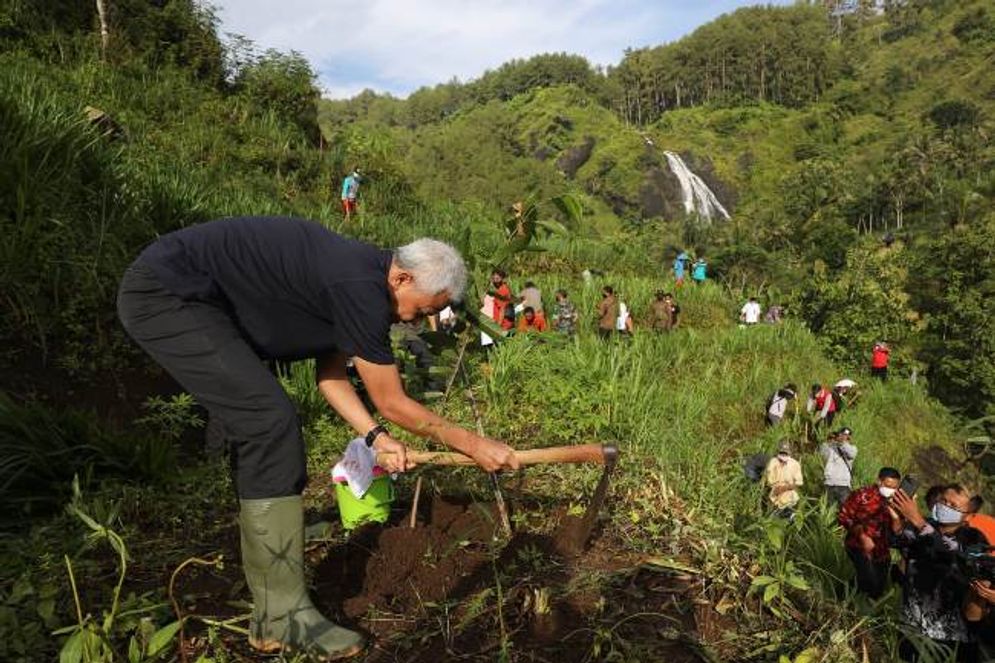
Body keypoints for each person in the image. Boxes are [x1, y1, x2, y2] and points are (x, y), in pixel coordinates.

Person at [116, 217, 519, 659]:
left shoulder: (361, 282)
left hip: (195, 299)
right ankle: (281, 617)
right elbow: (393, 402)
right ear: (402, 277)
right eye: (422, 310)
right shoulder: (359, 286)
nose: (418, 322)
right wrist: (473, 443)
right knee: (268, 421)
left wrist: (377, 439)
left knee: (262, 421)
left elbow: (330, 377)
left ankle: (272, 578)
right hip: (168, 294)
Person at [891, 484, 987, 661]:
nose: (946, 506)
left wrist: (919, 522)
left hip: (951, 639)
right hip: (911, 628)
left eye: (955, 506)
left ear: (968, 514)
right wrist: (896, 519)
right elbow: (896, 541)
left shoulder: (974, 539)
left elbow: (954, 561)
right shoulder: (920, 526)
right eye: (944, 500)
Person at [837, 467, 901, 598]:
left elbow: (897, 530)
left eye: (895, 487)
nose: (891, 490)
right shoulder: (862, 495)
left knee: (878, 588)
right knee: (868, 580)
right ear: (879, 481)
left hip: (882, 550)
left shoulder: (896, 501)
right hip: (858, 545)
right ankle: (838, 596)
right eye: (888, 486)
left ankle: (865, 610)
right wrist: (862, 536)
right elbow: (844, 517)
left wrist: (896, 516)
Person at [764, 440, 804, 519]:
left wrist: (786, 487)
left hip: (790, 498)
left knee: (791, 517)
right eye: (782, 453)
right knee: (773, 519)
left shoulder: (794, 464)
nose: (783, 455)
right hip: (775, 497)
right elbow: (770, 481)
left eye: (786, 453)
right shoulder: (773, 462)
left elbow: (798, 482)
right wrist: (776, 488)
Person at [820, 428, 857, 507]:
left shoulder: (853, 448)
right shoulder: (831, 448)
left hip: (843, 485)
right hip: (829, 483)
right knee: (828, 510)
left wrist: (842, 443)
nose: (841, 437)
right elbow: (823, 454)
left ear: (848, 438)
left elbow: (851, 454)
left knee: (845, 510)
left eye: (844, 436)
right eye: (840, 435)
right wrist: (828, 440)